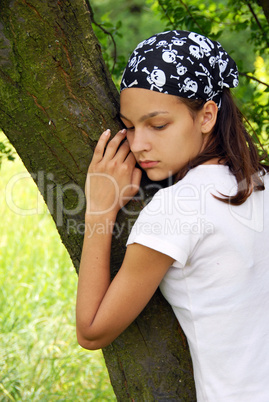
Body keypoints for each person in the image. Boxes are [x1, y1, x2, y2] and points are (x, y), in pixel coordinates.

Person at [76, 30, 269, 401]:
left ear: (207, 115)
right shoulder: (261, 182)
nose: (138, 144)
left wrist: (100, 210)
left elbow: (92, 330)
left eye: (158, 125)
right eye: (129, 127)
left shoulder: (176, 207)